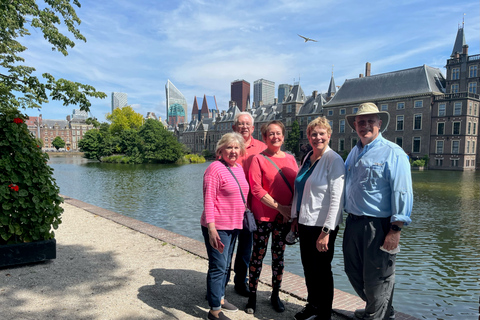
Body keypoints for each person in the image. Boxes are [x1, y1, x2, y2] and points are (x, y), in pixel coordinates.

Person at [343, 102, 413, 320]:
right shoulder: (354, 152)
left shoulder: (393, 152)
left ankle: (376, 313)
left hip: (378, 225)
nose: (365, 126)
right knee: (353, 270)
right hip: (353, 222)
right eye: (361, 122)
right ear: (355, 125)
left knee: (378, 277)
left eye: (370, 121)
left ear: (380, 124)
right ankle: (382, 308)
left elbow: (402, 191)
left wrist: (395, 229)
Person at [291, 117, 345, 320]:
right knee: (308, 267)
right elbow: (301, 188)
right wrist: (295, 217)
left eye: (322, 133)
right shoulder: (308, 158)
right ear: (308, 136)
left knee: (322, 271)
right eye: (313, 134)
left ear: (329, 135)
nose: (317, 137)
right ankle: (313, 305)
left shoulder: (334, 160)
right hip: (305, 223)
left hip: (322, 227)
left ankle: (324, 315)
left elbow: (337, 200)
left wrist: (326, 232)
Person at [244, 120, 298, 314]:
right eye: (271, 134)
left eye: (278, 133)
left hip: (284, 220)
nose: (275, 137)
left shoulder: (291, 159)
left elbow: (297, 187)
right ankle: (252, 295)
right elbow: (256, 188)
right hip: (263, 217)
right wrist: (280, 207)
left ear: (283, 136)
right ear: (265, 138)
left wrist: (292, 213)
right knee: (257, 256)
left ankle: (275, 294)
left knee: (279, 257)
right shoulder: (258, 159)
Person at [201, 132, 249, 320]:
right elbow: (208, 200)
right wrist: (211, 228)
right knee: (218, 266)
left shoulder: (238, 168)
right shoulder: (214, 169)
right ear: (220, 149)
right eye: (229, 147)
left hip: (234, 225)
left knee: (226, 265)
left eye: (236, 147)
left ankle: (220, 298)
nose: (233, 151)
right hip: (218, 226)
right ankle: (214, 310)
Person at [231, 112, 267, 297]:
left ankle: (240, 282)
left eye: (247, 124)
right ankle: (219, 284)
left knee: (246, 249)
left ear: (253, 128)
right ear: (234, 127)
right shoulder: (228, 146)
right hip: (228, 208)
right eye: (240, 123)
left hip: (250, 210)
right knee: (225, 249)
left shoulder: (262, 147)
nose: (244, 127)